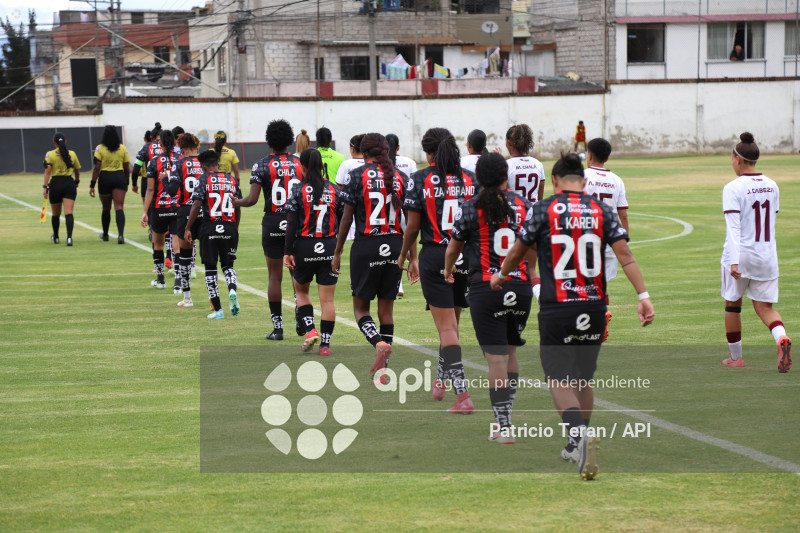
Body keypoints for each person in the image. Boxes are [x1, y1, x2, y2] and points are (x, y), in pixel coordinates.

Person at [491, 152, 655, 480]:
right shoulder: (601, 210)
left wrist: (501, 275)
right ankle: (575, 441)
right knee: (583, 379)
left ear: (554, 180)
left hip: (559, 305)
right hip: (594, 305)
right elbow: (625, 254)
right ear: (583, 180)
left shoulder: (543, 209)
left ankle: (578, 438)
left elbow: (518, 250)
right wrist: (643, 296)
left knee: (557, 378)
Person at [445, 152, 535, 440]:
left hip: (486, 288)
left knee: (496, 359)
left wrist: (447, 270)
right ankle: (505, 419)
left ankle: (503, 426)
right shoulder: (524, 205)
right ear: (506, 176)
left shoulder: (470, 207)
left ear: (479, 178)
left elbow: (454, 248)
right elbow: (533, 248)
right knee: (511, 352)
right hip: (520, 286)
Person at [399, 127, 478, 413]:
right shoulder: (470, 178)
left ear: (428, 152)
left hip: (435, 256)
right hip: (466, 256)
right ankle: (441, 380)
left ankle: (463, 395)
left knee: (446, 329)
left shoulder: (420, 179)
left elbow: (412, 227)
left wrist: (404, 256)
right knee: (452, 327)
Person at [333, 133, 407, 380]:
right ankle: (384, 370)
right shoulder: (399, 176)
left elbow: (346, 218)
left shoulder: (356, 175)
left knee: (360, 309)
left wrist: (338, 250)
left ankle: (378, 343)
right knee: (386, 310)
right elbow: (408, 221)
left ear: (364, 153)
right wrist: (412, 256)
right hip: (395, 244)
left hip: (367, 245)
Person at [721, 132, 791, 372]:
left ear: (738, 159)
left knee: (732, 305)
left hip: (741, 255)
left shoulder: (732, 188)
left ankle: (736, 358)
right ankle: (781, 338)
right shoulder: (772, 185)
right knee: (765, 308)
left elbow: (734, 228)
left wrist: (733, 261)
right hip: (767, 256)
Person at [234, 119, 303, 340]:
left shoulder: (261, 165)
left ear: (268, 141)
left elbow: (252, 200)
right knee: (297, 274)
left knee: (274, 276)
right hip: (296, 222)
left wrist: (236, 202)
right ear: (289, 140)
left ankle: (278, 328)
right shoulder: (300, 163)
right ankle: (302, 317)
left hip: (273, 221)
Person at [284, 148, 343, 356]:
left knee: (301, 291)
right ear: (321, 166)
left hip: (304, 247)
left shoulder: (298, 190)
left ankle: (310, 330)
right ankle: (325, 345)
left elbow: (291, 223)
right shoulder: (334, 190)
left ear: (303, 166)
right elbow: (343, 219)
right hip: (330, 247)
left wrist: (287, 250)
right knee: (328, 300)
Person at [184, 150, 242, 319]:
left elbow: (196, 205)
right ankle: (232, 289)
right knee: (228, 266)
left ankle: (218, 310)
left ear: (203, 166)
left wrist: (188, 228)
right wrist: (235, 227)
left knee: (210, 269)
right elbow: (237, 205)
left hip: (209, 227)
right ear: (218, 164)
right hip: (229, 227)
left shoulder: (203, 179)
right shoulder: (231, 179)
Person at [583, 137, 629, 341]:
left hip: (585, 239)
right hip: (609, 241)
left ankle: (587, 322)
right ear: (607, 158)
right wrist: (624, 239)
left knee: (582, 284)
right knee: (602, 285)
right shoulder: (617, 180)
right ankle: (602, 316)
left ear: (589, 155)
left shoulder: (582, 176)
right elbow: (623, 214)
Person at [140, 129, 179, 289]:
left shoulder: (153, 162)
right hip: (177, 207)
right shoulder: (181, 160)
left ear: (160, 143)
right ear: (175, 143)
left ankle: (161, 280)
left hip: (159, 208)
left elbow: (150, 189)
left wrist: (145, 212)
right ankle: (179, 283)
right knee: (176, 244)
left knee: (158, 244)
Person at [173, 133, 203, 307]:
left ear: (182, 148)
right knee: (210, 257)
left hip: (186, 211)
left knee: (184, 256)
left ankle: (187, 298)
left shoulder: (179, 163)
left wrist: (165, 179)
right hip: (205, 211)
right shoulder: (205, 162)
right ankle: (214, 301)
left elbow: (171, 190)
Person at [386, 133, 417, 298]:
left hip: (388, 211)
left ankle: (397, 284)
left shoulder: (381, 166)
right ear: (398, 147)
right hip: (406, 210)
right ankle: (409, 269)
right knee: (404, 244)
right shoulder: (409, 163)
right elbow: (414, 186)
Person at [90, 125, 131, 244]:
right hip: (119, 178)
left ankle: (106, 234)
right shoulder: (122, 148)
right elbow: (126, 168)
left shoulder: (99, 148)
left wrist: (92, 184)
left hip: (105, 178)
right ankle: (121, 236)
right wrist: (127, 182)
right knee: (119, 207)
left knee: (106, 208)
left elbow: (97, 168)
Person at [42, 132, 81, 246]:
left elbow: (48, 172)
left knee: (56, 214)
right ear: (65, 141)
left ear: (54, 143)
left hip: (55, 184)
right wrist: (76, 181)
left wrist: (45, 187)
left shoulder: (50, 154)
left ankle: (56, 237)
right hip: (69, 184)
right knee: (69, 212)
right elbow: (77, 171)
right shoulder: (72, 154)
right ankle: (69, 238)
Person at [506, 124, 546, 204]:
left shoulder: (506, 165)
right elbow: (540, 198)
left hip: (514, 211)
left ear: (509, 143)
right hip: (533, 210)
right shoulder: (538, 164)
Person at [133, 123, 162, 206]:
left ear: (151, 137)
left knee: (148, 210)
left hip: (147, 181)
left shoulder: (145, 148)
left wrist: (134, 185)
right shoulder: (168, 147)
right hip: (164, 181)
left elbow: (136, 169)